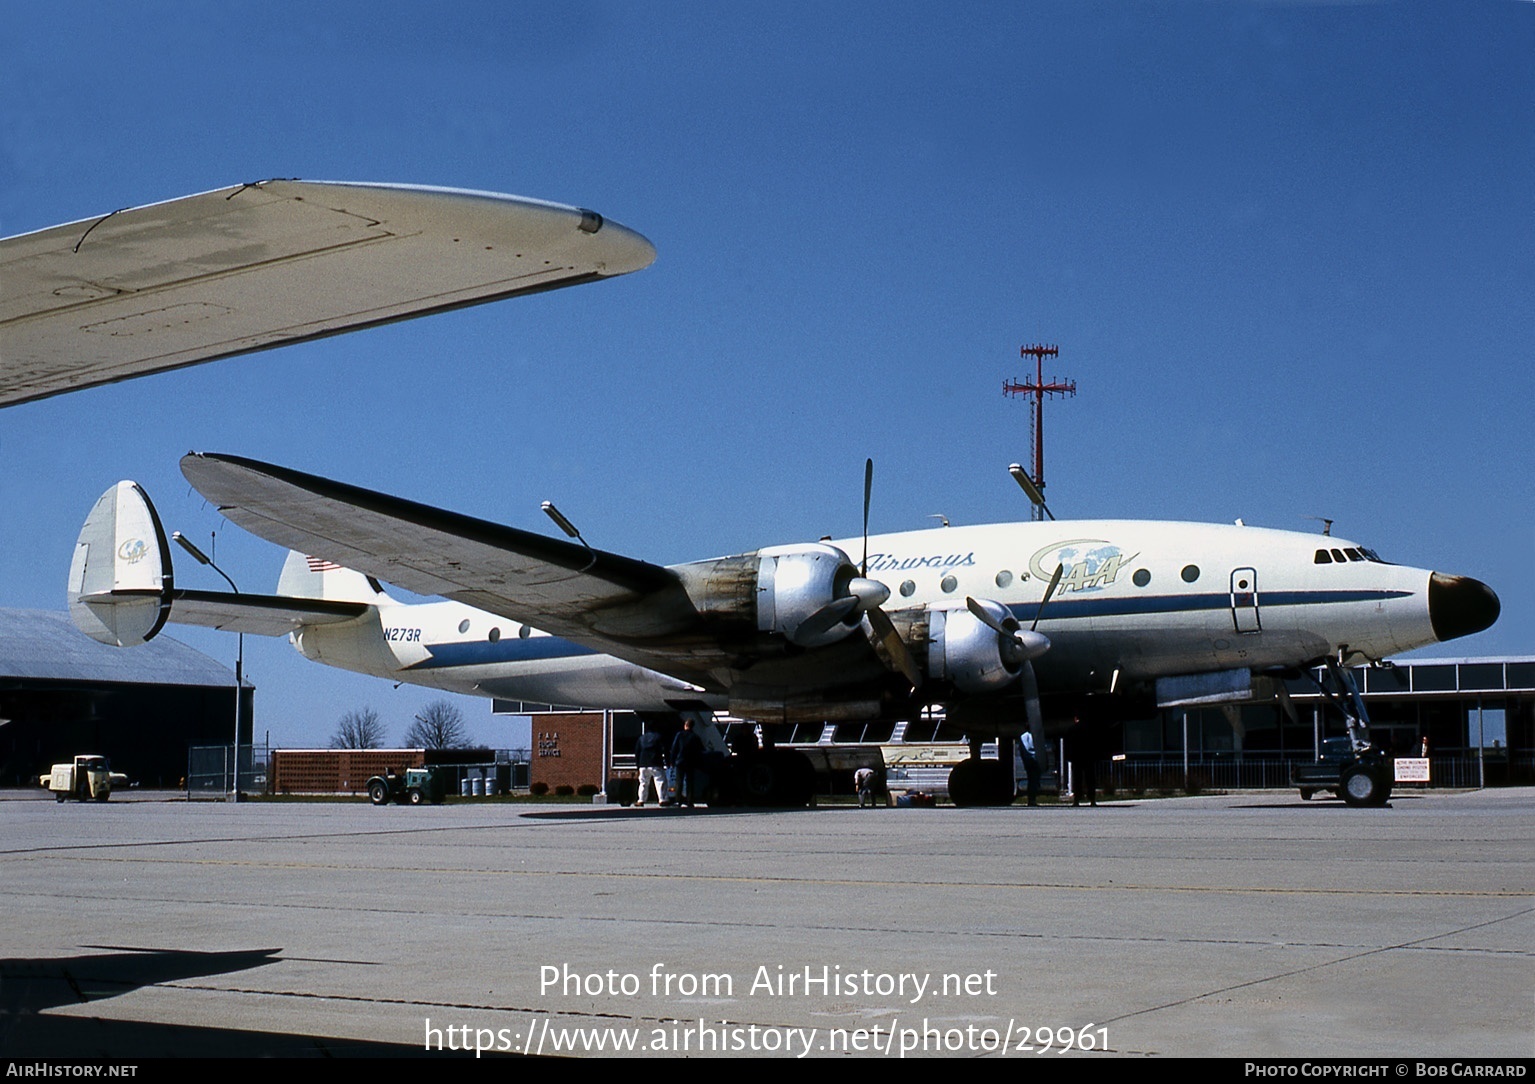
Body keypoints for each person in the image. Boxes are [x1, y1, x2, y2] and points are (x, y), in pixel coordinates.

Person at [669, 718, 705, 808]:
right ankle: (690, 801)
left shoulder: (679, 735)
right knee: (690, 781)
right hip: (691, 761)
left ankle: (678, 801)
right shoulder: (695, 736)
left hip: (680, 761)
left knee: (679, 781)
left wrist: (672, 760)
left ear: (685, 725)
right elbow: (700, 750)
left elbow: (674, 748)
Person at [633, 728, 667, 808]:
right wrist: (667, 761)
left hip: (643, 763)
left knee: (643, 783)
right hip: (655, 762)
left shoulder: (641, 738)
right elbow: (664, 749)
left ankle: (641, 800)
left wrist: (638, 765)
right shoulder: (658, 737)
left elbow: (637, 752)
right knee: (660, 781)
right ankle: (662, 799)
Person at [1019, 731, 1041, 806]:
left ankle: (1032, 799)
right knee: (1033, 781)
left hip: (1030, 760)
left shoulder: (1025, 736)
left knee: (1033, 780)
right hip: (1032, 760)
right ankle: (1032, 799)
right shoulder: (1031, 736)